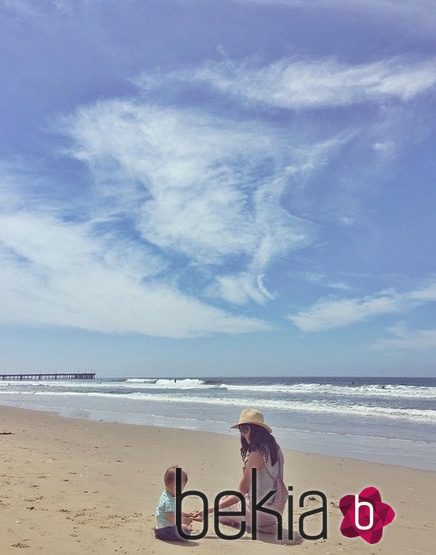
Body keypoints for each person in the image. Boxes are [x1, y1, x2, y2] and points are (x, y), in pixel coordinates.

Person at [195, 408, 288, 535]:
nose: (243, 434)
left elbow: (239, 493)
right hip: (276, 509)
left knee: (220, 509)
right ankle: (259, 523)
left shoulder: (256, 454)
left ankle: (252, 524)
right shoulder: (276, 449)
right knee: (227, 499)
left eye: (245, 430)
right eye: (241, 430)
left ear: (255, 431)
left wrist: (207, 510)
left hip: (258, 513)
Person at [154, 466, 193, 541]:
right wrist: (184, 522)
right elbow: (171, 520)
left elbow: (173, 512)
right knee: (186, 532)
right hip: (165, 531)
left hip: (159, 527)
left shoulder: (165, 494)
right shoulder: (169, 501)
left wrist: (186, 514)